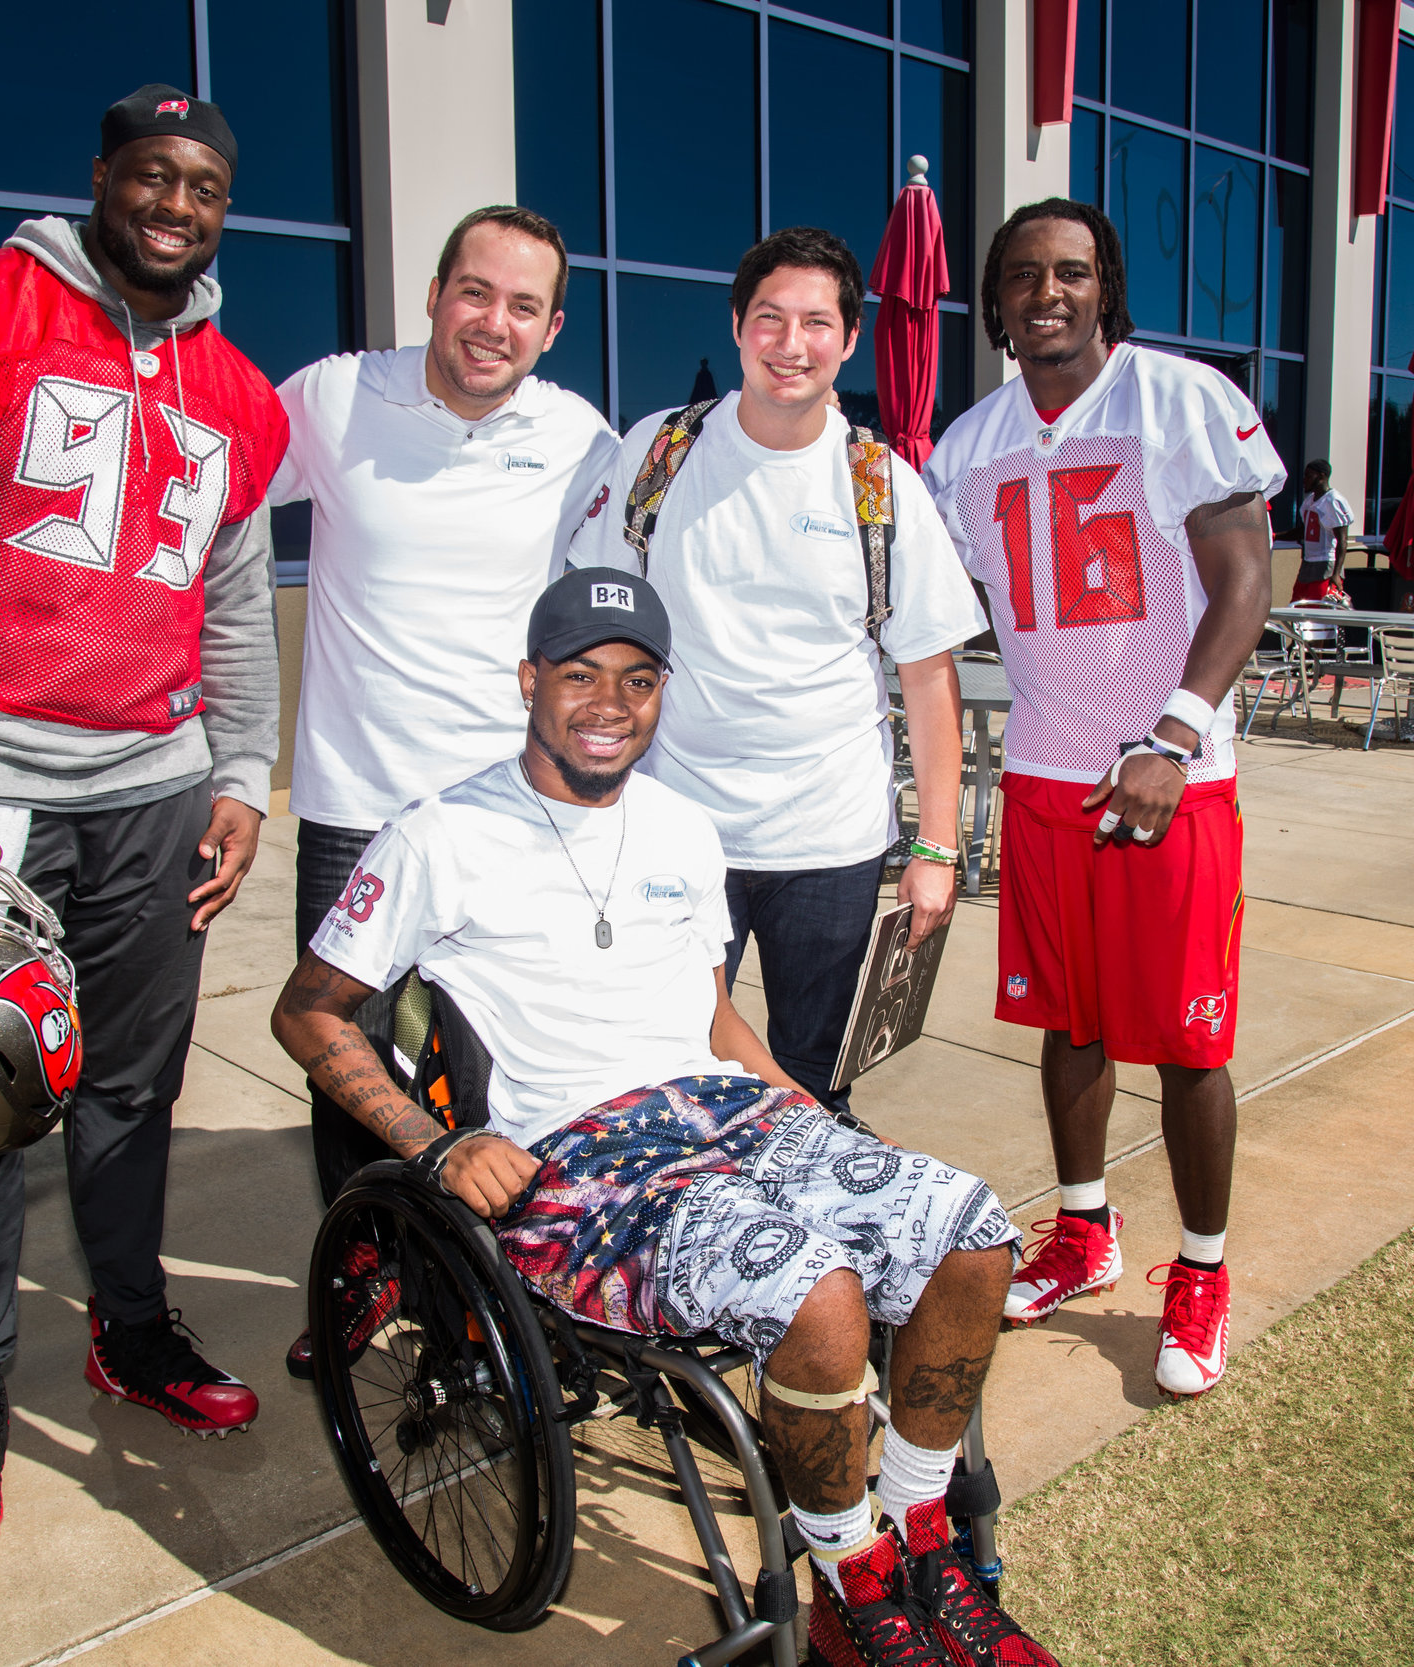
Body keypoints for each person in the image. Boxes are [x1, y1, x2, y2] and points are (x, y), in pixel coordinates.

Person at [271, 569, 1059, 1667]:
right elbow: (309, 1012)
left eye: (636, 679)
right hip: (578, 1158)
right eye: (581, 675)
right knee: (820, 1302)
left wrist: (804, 1111)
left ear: (662, 693)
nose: (608, 701)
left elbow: (712, 1013)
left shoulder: (688, 828)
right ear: (529, 681)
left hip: (727, 1111)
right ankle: (850, 1580)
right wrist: (435, 1142)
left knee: (972, 1234)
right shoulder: (438, 836)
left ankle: (919, 1536)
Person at [0, 84, 291, 1558]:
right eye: (152, 177)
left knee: (133, 1087)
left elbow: (228, 597)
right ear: (102, 179)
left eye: (202, 186)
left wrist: (243, 769)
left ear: (222, 208)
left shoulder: (239, 390)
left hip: (151, 783)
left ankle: (130, 1331)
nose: (175, 205)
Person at [922, 199, 1283, 1398]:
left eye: (1070, 272)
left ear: (1103, 285)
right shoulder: (964, 446)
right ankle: (1085, 1229)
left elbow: (1244, 581)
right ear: (995, 301)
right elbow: (938, 610)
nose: (1046, 293)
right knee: (1066, 1020)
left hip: (1171, 777)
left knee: (1186, 1039)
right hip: (1041, 773)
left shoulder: (1176, 399)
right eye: (1022, 276)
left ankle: (1204, 1269)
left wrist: (1173, 734)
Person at [564, 226, 982, 1114]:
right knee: (667, 1060)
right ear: (737, 325)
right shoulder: (659, 451)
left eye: (817, 323)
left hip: (829, 839)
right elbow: (597, 619)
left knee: (816, 1080)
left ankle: (810, 1239)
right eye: (770, 318)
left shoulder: (881, 483)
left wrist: (936, 847)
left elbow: (927, 675)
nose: (792, 345)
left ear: (851, 337)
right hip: (674, 823)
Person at [267, 205, 617, 1204]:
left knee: (496, 1059)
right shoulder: (333, 398)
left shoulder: (577, 437)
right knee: (350, 1062)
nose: (491, 321)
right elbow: (212, 502)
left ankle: (487, 1271)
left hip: (506, 809)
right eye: (474, 291)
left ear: (550, 330)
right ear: (432, 295)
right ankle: (362, 1262)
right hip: (355, 806)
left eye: (522, 305)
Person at [1291, 458, 1354, 602]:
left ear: (1321, 476)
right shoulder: (1309, 501)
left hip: (1325, 563)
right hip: (1307, 563)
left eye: (1308, 475)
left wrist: (1336, 573)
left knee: (1319, 610)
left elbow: (1342, 540)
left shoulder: (1333, 501)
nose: (1304, 479)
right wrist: (1275, 536)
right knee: (1298, 606)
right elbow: (1304, 531)